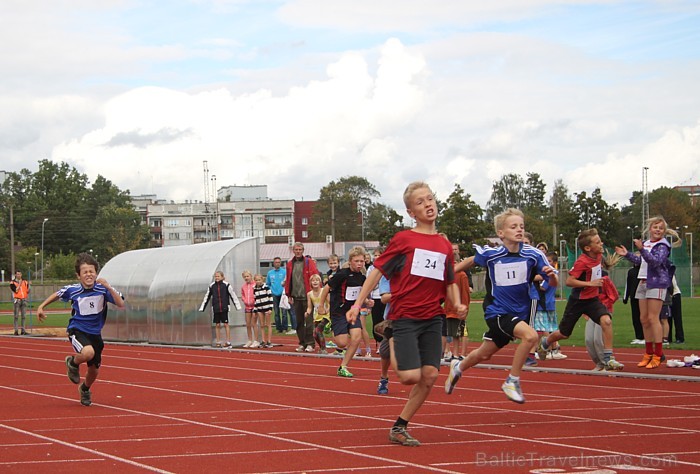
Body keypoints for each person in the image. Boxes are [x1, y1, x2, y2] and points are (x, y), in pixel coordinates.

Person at [348, 181, 467, 447]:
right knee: (408, 377)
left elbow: (449, 280)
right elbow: (377, 270)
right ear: (411, 212)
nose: (428, 204)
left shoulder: (444, 245)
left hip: (432, 317)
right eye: (420, 202)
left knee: (431, 376)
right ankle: (388, 332)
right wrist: (358, 303)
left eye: (430, 199)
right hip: (404, 316)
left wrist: (456, 304)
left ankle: (399, 426)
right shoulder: (404, 240)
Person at [446, 208, 557, 404]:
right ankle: (511, 381)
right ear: (501, 233)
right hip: (496, 311)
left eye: (521, 226)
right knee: (530, 336)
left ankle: (458, 367)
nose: (519, 230)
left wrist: (552, 276)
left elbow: (552, 283)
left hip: (519, 312)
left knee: (485, 353)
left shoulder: (534, 255)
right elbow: (472, 260)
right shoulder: (492, 254)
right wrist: (449, 272)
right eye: (513, 227)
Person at [36, 253, 124, 406]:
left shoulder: (103, 290)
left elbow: (121, 303)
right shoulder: (73, 290)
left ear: (96, 273)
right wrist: (41, 307)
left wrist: (108, 287)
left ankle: (84, 389)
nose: (89, 274)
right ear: (79, 276)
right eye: (85, 272)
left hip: (95, 334)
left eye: (91, 271)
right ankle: (73, 362)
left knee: (94, 371)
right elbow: (57, 294)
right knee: (87, 353)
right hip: (77, 330)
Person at [538, 229, 624, 371]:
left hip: (593, 300)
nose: (601, 243)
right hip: (577, 301)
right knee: (564, 334)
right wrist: (591, 284)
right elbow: (569, 281)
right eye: (597, 242)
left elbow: (599, 267)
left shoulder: (599, 254)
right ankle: (546, 342)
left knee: (606, 321)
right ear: (588, 248)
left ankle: (609, 358)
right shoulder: (581, 262)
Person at [615, 216, 680, 369]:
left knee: (653, 318)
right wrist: (628, 255)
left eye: (661, 228)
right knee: (643, 319)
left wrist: (641, 249)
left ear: (664, 231)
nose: (658, 230)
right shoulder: (647, 244)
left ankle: (658, 354)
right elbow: (641, 262)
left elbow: (656, 262)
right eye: (655, 227)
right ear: (650, 228)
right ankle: (648, 353)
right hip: (643, 281)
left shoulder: (663, 245)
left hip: (656, 283)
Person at [318, 246, 372, 376]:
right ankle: (331, 326)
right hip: (339, 312)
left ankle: (343, 366)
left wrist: (367, 302)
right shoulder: (342, 274)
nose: (359, 264)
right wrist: (321, 305)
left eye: (362, 261)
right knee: (342, 343)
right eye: (357, 261)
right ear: (350, 261)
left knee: (356, 338)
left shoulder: (362, 278)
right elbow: (326, 289)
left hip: (353, 312)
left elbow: (360, 295)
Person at [585, 252, 621, 370]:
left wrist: (603, 307)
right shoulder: (587, 278)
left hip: (603, 311)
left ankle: (606, 362)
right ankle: (598, 363)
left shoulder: (604, 278)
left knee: (598, 339)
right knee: (589, 339)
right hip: (592, 312)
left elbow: (614, 296)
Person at [285, 242, 319, 352]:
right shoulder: (290, 264)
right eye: (296, 249)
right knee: (298, 322)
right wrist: (288, 294)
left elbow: (316, 277)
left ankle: (310, 343)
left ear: (303, 250)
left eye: (300, 249)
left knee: (309, 322)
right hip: (296, 296)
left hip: (307, 296)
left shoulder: (309, 262)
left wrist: (316, 293)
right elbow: (288, 280)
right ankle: (302, 343)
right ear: (293, 251)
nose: (298, 251)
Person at [532, 251, 566, 360]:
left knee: (542, 328)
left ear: (554, 262)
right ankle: (553, 349)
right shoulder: (553, 273)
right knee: (551, 328)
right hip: (550, 303)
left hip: (543, 304)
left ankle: (543, 349)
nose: (547, 263)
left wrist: (531, 280)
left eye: (549, 261)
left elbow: (543, 287)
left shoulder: (548, 274)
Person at [199, 270, 242, 347]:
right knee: (217, 324)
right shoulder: (212, 286)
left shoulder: (227, 285)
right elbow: (207, 296)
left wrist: (237, 306)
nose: (217, 278)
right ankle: (218, 341)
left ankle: (228, 341)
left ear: (222, 277)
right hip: (216, 308)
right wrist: (202, 307)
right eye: (215, 276)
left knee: (226, 324)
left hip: (224, 307)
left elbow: (233, 295)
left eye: (218, 276)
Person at [444, 242, 470, 361]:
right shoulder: (447, 275)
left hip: (457, 309)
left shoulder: (462, 275)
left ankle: (456, 353)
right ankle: (452, 353)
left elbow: (465, 294)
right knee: (452, 332)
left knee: (458, 333)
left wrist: (465, 307)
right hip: (449, 308)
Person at [367, 246, 386, 353]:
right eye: (375, 255)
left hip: (385, 297)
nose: (377, 257)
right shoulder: (371, 268)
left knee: (385, 320)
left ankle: (385, 342)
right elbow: (370, 283)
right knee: (376, 321)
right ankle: (378, 343)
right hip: (375, 297)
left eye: (379, 255)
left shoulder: (388, 267)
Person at [266, 257, 289, 333]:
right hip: (274, 294)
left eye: (279, 262)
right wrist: (271, 291)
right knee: (276, 312)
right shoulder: (270, 273)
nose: (277, 263)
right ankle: (279, 328)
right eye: (276, 262)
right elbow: (268, 284)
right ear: (273, 263)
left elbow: (287, 282)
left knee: (284, 312)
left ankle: (285, 327)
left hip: (283, 294)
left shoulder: (284, 272)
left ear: (281, 263)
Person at [307, 274, 329, 353]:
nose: (315, 282)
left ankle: (324, 348)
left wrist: (327, 310)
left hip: (326, 315)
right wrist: (307, 312)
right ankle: (321, 347)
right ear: (310, 283)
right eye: (313, 280)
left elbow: (330, 302)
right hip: (317, 315)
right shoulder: (309, 294)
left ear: (320, 282)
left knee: (318, 330)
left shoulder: (324, 291)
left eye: (317, 280)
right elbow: (310, 307)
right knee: (315, 334)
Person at [623, 260, 644, 344]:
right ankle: (638, 336)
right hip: (633, 297)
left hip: (643, 297)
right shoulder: (631, 271)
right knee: (635, 317)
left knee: (644, 317)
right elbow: (628, 284)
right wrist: (626, 297)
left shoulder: (644, 272)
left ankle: (646, 336)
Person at [253, 273, 274, 348]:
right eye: (256, 280)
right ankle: (263, 340)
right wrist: (255, 310)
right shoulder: (254, 288)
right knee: (262, 325)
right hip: (259, 308)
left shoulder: (266, 287)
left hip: (267, 308)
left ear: (262, 279)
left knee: (268, 324)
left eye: (259, 280)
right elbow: (255, 299)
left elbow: (271, 298)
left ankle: (269, 341)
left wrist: (270, 309)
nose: (258, 281)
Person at [240, 270, 258, 348]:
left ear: (251, 276)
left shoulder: (255, 285)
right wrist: (244, 300)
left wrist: (254, 301)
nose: (246, 278)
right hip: (247, 307)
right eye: (245, 277)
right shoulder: (243, 287)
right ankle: (249, 340)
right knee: (248, 324)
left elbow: (257, 294)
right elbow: (243, 294)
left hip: (254, 306)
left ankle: (256, 340)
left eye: (248, 276)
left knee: (254, 323)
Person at [10, 270, 30, 336]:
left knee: (23, 316)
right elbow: (16, 290)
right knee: (16, 316)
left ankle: (23, 330)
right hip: (17, 300)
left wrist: (29, 286)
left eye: (20, 274)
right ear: (15, 275)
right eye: (18, 274)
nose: (19, 275)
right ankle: (16, 330)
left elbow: (27, 290)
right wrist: (19, 284)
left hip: (24, 300)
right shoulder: (12, 282)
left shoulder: (25, 282)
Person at [667, 275, 683, 343]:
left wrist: (671, 294)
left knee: (677, 317)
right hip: (667, 296)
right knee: (668, 317)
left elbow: (671, 284)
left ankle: (680, 338)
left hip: (674, 295)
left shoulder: (668, 271)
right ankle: (668, 337)